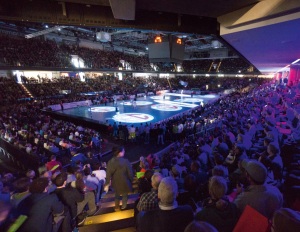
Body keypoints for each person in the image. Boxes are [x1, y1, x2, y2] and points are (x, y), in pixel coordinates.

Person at [104, 146, 133, 211]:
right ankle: (124, 206)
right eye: (123, 151)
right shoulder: (125, 161)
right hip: (125, 181)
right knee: (125, 194)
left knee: (117, 194)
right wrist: (131, 180)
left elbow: (108, 174)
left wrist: (107, 183)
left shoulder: (110, 162)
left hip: (115, 181)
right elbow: (130, 173)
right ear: (119, 153)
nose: (124, 152)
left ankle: (117, 207)